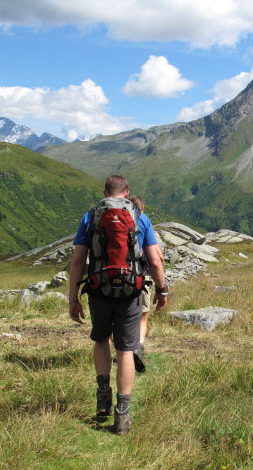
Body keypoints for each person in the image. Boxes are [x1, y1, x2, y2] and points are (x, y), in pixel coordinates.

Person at [68, 175, 168, 435]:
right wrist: (162, 289)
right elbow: (155, 261)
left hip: (99, 290)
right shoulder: (140, 218)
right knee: (125, 350)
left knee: (101, 340)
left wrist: (73, 298)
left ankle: (103, 397)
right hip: (130, 292)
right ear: (127, 193)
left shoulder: (90, 217)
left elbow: (78, 261)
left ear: (104, 193)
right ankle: (122, 415)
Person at [129, 194, 166, 373]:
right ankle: (138, 346)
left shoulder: (106, 219)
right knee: (143, 315)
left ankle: (120, 349)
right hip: (140, 277)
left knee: (117, 317)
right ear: (141, 209)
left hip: (110, 278)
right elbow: (158, 258)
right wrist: (162, 287)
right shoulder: (143, 221)